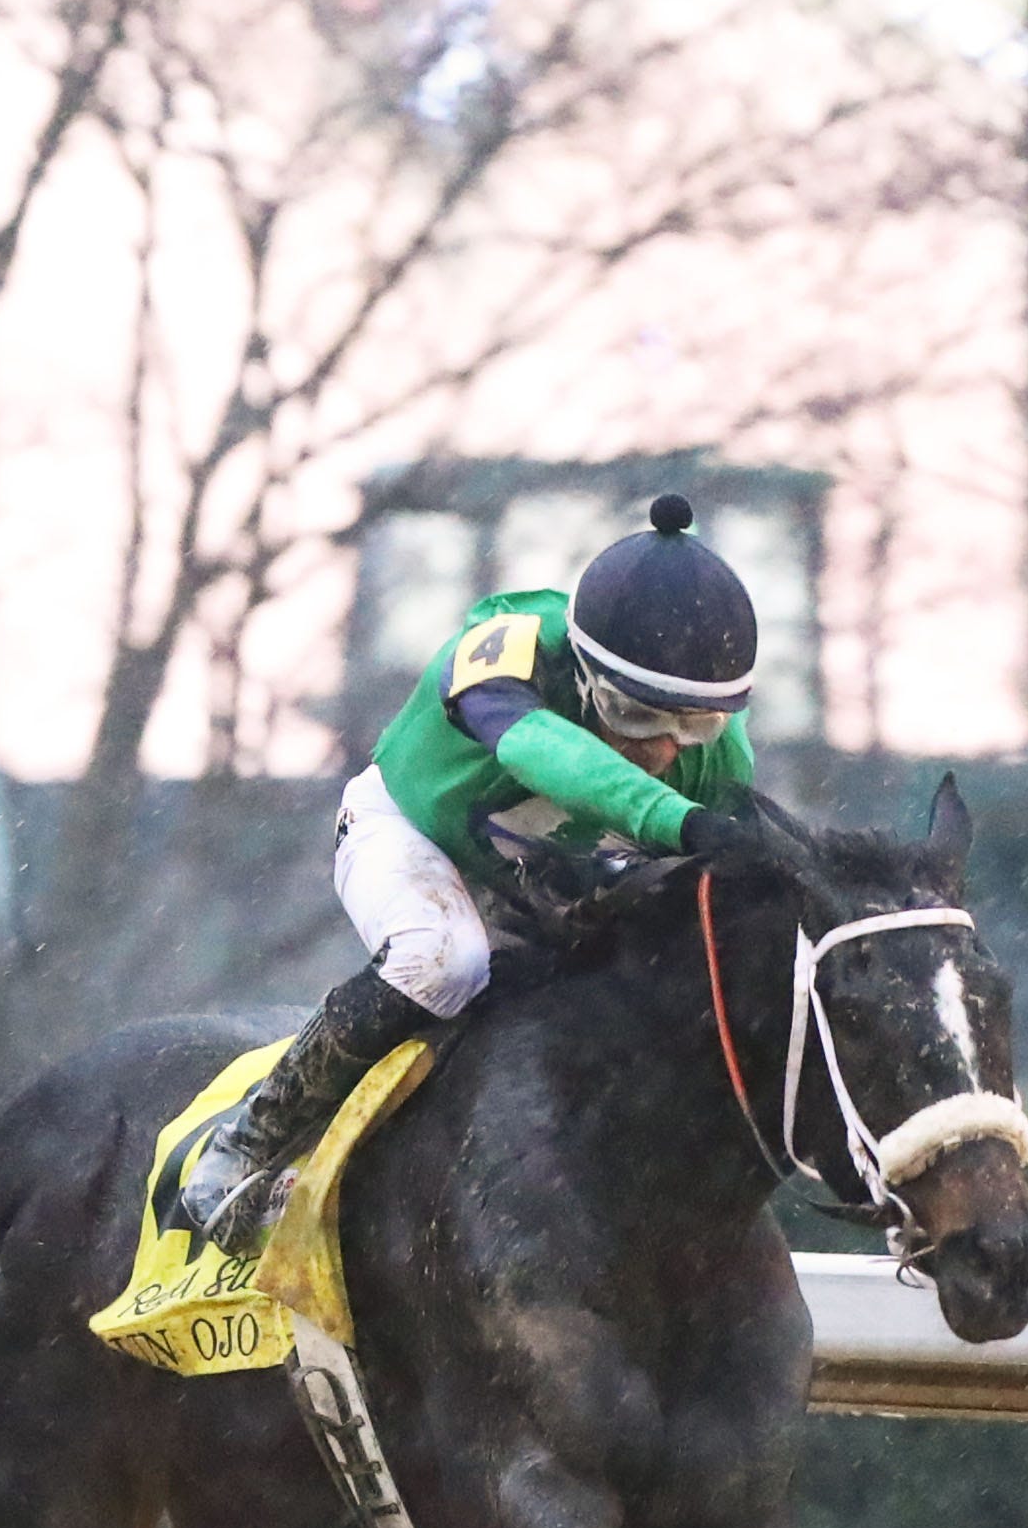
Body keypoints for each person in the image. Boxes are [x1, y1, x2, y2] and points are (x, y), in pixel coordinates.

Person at [180, 493, 766, 1255]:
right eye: (637, 716)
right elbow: (537, 750)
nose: (664, 750)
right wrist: (676, 821)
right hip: (409, 833)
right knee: (444, 959)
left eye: (693, 724)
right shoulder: (506, 650)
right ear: (584, 672)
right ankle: (246, 1144)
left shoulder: (717, 752)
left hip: (536, 879)